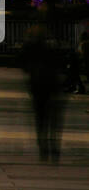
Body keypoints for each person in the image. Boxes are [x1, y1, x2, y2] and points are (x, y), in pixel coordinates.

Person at [22, 27, 65, 161]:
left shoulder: (32, 48)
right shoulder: (53, 48)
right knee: (54, 118)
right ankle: (54, 144)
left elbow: (23, 64)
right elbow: (61, 64)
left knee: (40, 116)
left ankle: (43, 144)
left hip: (38, 85)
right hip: (53, 85)